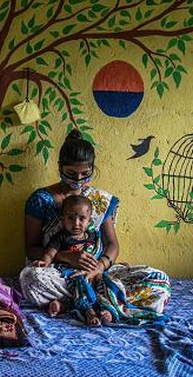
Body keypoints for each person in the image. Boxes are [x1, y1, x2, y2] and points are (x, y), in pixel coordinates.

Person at [19, 129, 170, 326]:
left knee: (159, 281)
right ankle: (103, 300)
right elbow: (31, 248)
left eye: (85, 174)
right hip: (61, 273)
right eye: (71, 173)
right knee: (30, 278)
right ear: (59, 168)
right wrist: (66, 256)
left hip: (99, 274)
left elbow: (112, 244)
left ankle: (71, 302)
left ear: (92, 168)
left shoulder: (100, 201)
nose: (78, 180)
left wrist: (98, 268)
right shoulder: (41, 200)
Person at [35, 195, 111, 326]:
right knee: (79, 282)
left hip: (95, 273)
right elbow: (50, 252)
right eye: (70, 218)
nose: (76, 223)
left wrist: (97, 269)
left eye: (82, 218)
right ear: (62, 219)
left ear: (89, 221)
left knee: (108, 283)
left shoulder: (94, 237)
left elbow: (104, 251)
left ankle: (107, 310)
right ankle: (89, 311)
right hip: (71, 275)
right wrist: (45, 262)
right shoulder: (61, 237)